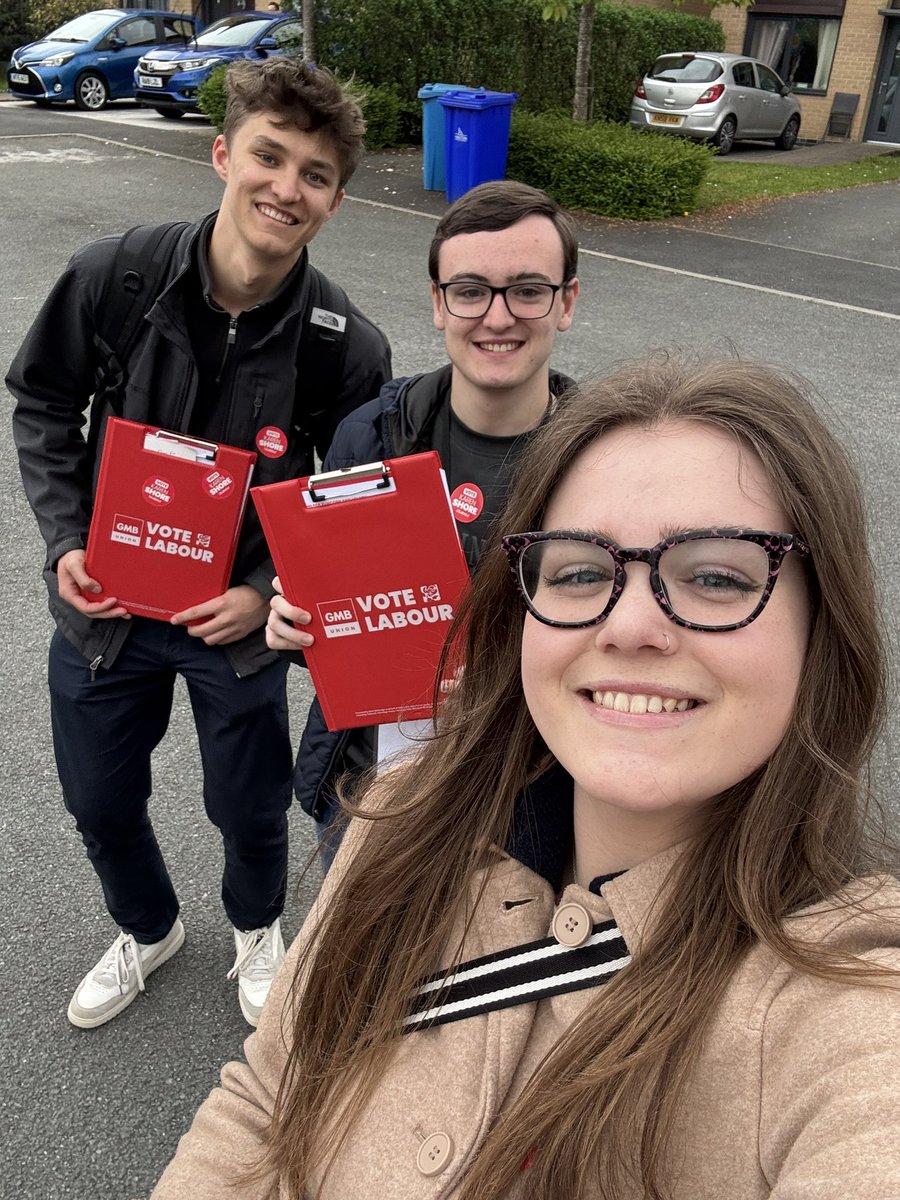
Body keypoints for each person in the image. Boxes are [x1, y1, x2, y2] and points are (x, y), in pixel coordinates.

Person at [152, 355, 900, 1198]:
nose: (631, 625)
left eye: (719, 575)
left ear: (822, 630)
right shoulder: (402, 812)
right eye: (580, 570)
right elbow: (266, 1098)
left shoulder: (847, 1010)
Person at [7, 58, 391, 1030]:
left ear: (335, 200)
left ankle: (257, 928)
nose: (285, 187)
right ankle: (148, 929)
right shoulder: (116, 276)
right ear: (224, 155)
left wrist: (268, 588)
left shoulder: (345, 345)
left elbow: (344, 496)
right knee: (98, 801)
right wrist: (63, 544)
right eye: (269, 156)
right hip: (106, 611)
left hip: (239, 625)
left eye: (313, 173)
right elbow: (45, 404)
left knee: (249, 807)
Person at [266, 180, 580, 865]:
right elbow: (335, 612)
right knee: (362, 969)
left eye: (528, 289)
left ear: (567, 302)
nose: (497, 316)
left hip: (520, 796)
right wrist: (293, 624)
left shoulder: (601, 461)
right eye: (470, 291)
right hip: (372, 783)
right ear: (438, 304)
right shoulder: (373, 435)